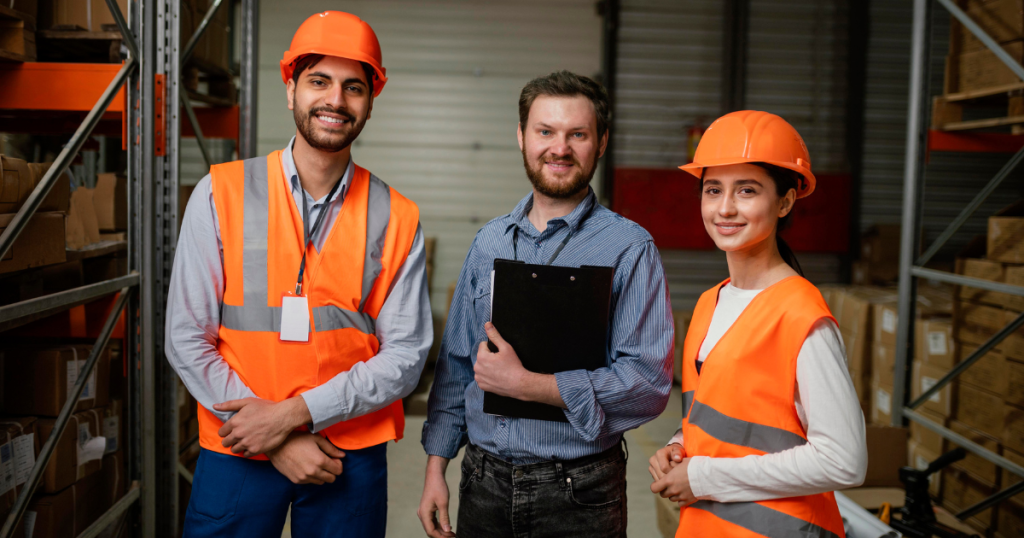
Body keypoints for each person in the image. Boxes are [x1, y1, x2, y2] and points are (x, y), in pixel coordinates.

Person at [165, 11, 432, 538]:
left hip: (346, 453)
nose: (336, 99)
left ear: (370, 103)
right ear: (290, 90)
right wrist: (272, 437)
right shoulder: (220, 195)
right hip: (239, 442)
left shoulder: (396, 216)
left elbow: (406, 355)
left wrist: (293, 416)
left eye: (353, 87)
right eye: (319, 81)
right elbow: (185, 337)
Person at [417, 70, 674, 538]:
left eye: (577, 134)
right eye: (545, 132)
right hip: (483, 482)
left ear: (600, 142)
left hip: (579, 492)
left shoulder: (629, 249)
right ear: (521, 137)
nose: (560, 148)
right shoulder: (489, 242)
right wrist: (437, 467)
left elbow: (648, 383)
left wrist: (529, 385)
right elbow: (455, 368)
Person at [647, 110, 867, 537]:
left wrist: (704, 477)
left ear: (785, 201)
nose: (725, 208)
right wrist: (679, 446)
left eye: (747, 190)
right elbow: (722, 415)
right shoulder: (712, 302)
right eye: (713, 190)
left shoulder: (802, 315)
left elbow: (845, 459)